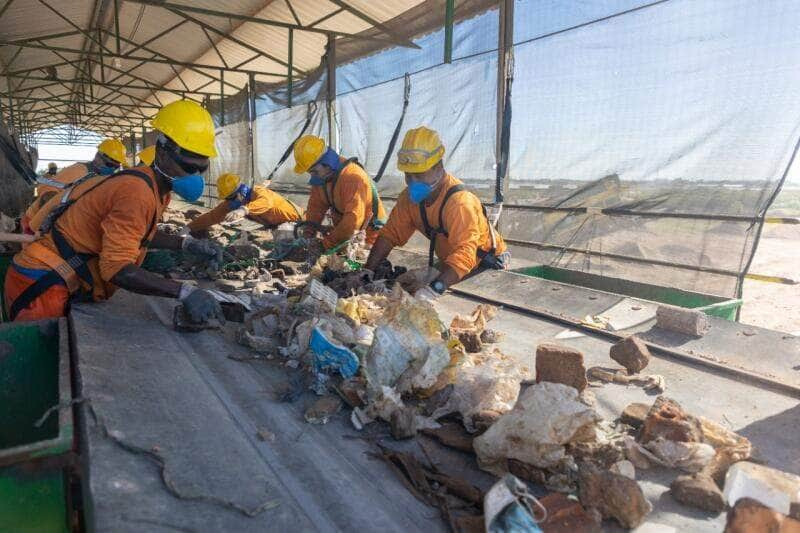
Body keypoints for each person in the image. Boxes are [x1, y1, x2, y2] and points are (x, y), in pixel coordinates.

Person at [5, 99, 225, 325]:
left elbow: (138, 234)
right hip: (42, 281)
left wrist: (185, 244)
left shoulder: (159, 190)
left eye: (201, 168)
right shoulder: (136, 191)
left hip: (55, 276)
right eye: (188, 167)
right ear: (162, 152)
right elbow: (117, 268)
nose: (194, 175)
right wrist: (184, 292)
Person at [363, 126, 510, 300]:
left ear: (438, 167)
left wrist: (434, 289)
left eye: (419, 174)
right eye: (408, 175)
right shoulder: (409, 199)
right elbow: (389, 235)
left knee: (448, 301)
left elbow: (466, 254)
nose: (413, 182)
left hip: (486, 263)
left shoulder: (459, 203)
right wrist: (367, 272)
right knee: (406, 287)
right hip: (453, 261)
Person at [293, 135, 386, 255]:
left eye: (314, 171)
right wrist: (308, 233)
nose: (314, 176)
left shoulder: (352, 177)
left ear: (327, 164)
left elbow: (353, 222)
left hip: (368, 238)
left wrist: (325, 245)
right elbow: (316, 206)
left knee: (352, 269)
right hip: (345, 236)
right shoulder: (323, 177)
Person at [21, 139, 127, 233]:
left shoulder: (105, 179)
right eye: (109, 164)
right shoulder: (79, 170)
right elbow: (46, 189)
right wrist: (59, 210)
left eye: (115, 167)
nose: (112, 169)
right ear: (98, 157)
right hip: (35, 223)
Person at [185, 173, 303, 235]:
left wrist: (243, 210)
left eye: (231, 197)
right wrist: (188, 228)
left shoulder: (258, 192)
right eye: (227, 198)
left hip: (301, 222)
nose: (229, 202)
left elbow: (266, 202)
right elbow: (211, 217)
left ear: (242, 191)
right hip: (279, 228)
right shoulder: (231, 203)